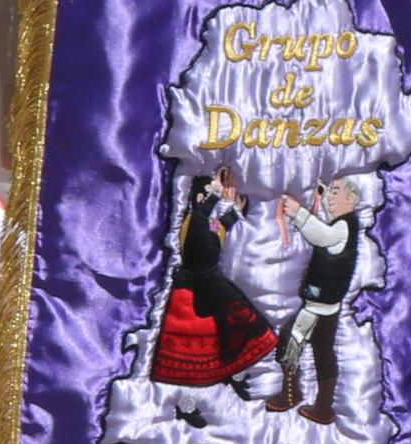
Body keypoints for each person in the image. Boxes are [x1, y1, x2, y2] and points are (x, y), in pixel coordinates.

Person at [148, 168, 278, 396]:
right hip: (194, 294)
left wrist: (234, 213)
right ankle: (187, 406)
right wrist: (216, 192)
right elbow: (202, 218)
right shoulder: (193, 221)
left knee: (234, 335)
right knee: (195, 358)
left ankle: (235, 375)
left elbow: (218, 228)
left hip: (215, 287)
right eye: (205, 194)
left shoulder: (204, 222)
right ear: (200, 198)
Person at [268, 176, 365, 426]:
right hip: (326, 307)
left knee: (291, 341)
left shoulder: (343, 227)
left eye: (336, 192)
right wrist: (320, 200)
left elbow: (323, 235)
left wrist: (298, 214)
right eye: (329, 192)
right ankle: (322, 406)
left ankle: (294, 396)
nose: (330, 197)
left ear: (351, 199)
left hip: (317, 308)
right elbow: (327, 230)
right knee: (322, 352)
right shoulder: (345, 225)